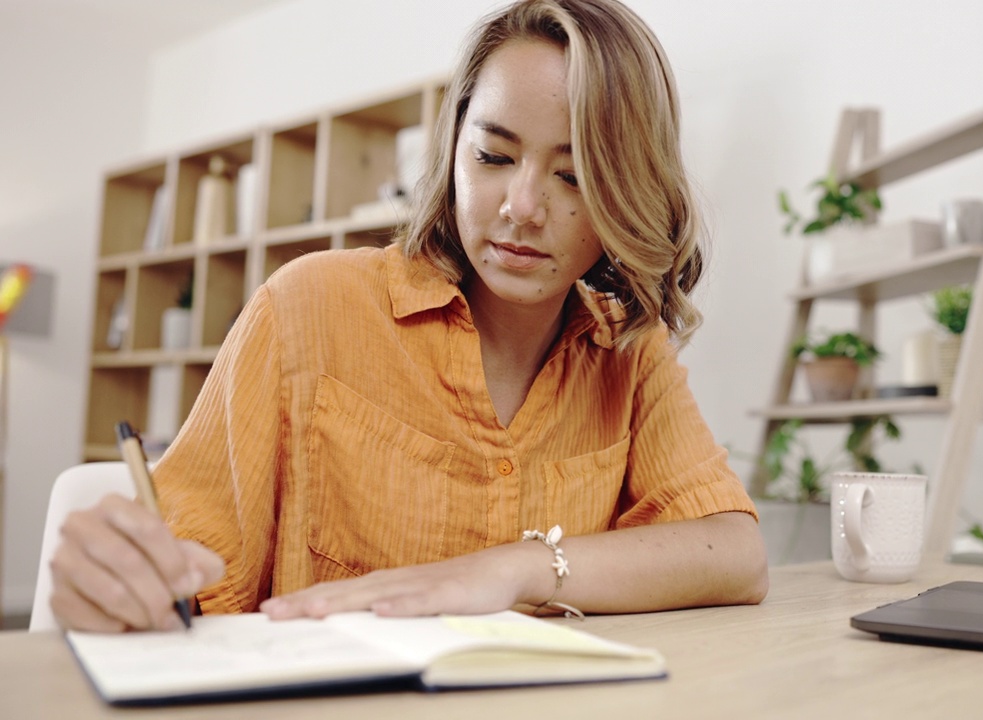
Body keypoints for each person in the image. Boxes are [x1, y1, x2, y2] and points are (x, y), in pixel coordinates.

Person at [49, 0, 768, 633]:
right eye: (493, 155)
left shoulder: (626, 351)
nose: (520, 205)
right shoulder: (306, 309)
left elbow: (735, 555)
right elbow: (189, 580)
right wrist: (119, 586)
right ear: (453, 147)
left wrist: (518, 568)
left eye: (573, 174)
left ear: (627, 191)